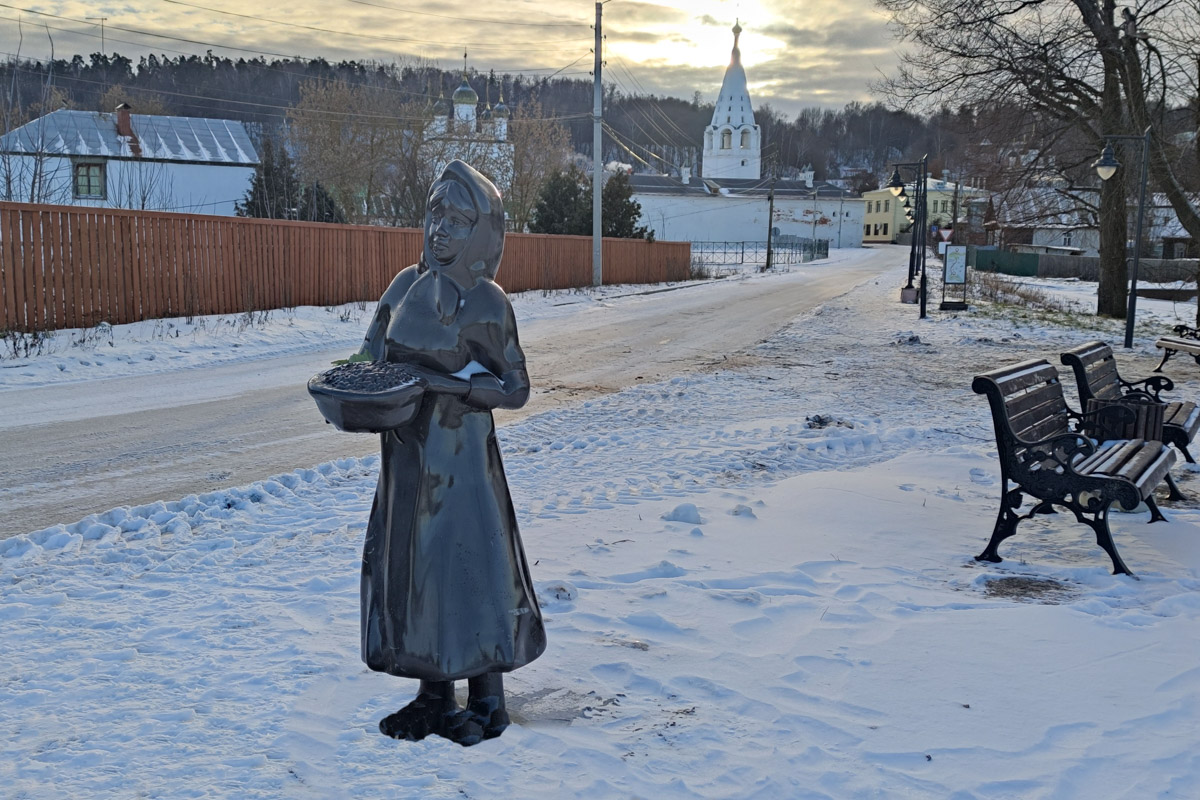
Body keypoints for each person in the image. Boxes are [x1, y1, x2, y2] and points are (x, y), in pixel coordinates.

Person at [353, 160, 545, 746]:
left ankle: (488, 700)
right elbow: (367, 357)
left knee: (469, 568)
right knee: (412, 572)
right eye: (436, 213)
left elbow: (515, 387)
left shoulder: (487, 303)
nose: (441, 231)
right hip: (408, 457)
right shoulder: (403, 287)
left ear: (482, 233)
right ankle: (431, 693)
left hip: (462, 464)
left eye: (459, 221)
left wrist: (453, 387)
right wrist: (355, 389)